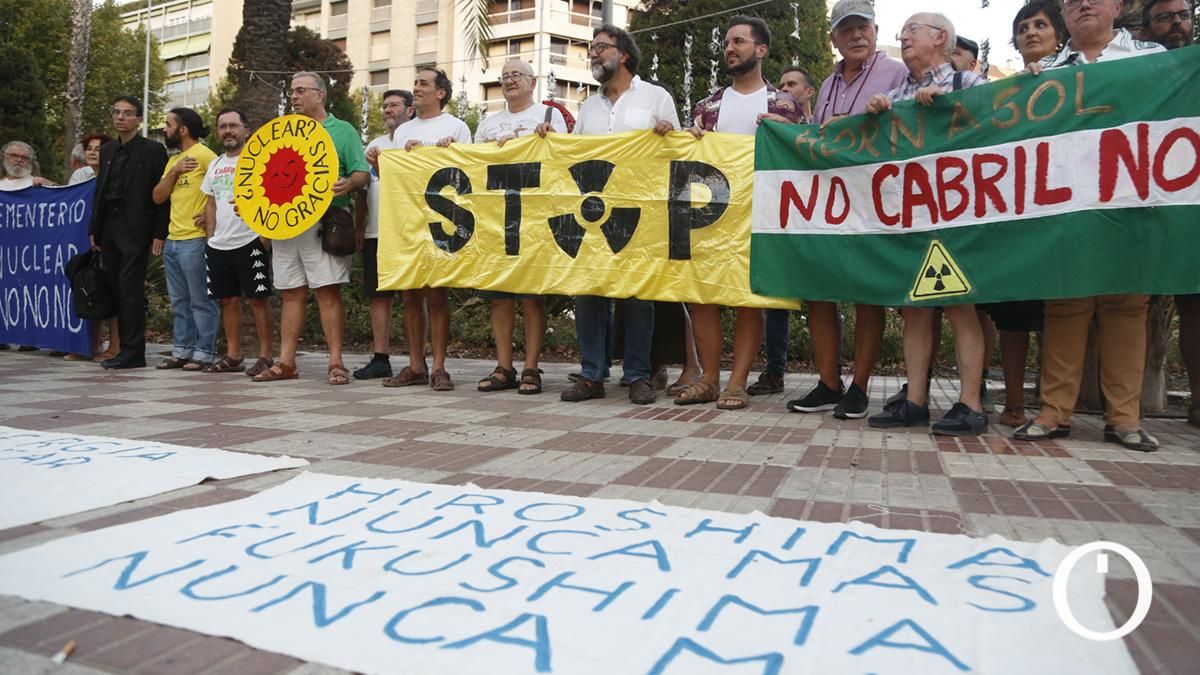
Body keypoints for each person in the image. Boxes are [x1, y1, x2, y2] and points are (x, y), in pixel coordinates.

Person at [1014, 0, 1167, 449]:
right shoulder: (1047, 73)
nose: (1082, 4)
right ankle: (1053, 412)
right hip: (1069, 203)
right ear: (1064, 13)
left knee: (1126, 305)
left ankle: (1125, 419)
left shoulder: (1154, 61)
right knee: (1064, 303)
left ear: (1117, 7)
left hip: (1130, 200)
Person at [538, 24, 679, 405]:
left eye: (601, 47)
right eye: (592, 49)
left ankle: (638, 375)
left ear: (625, 54)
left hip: (639, 213)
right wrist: (549, 144)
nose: (594, 54)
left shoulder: (656, 97)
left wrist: (667, 133)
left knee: (637, 294)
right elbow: (573, 160)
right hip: (591, 215)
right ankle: (592, 375)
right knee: (588, 292)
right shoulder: (588, 107)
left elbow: (679, 155)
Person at [864, 13, 990, 436]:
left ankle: (971, 403)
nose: (903, 37)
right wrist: (875, 116)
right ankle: (914, 400)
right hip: (911, 215)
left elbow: (999, 128)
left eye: (911, 31)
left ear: (940, 38)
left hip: (957, 214)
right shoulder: (895, 95)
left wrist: (955, 109)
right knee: (913, 307)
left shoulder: (968, 85)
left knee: (959, 303)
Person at [785, 0, 907, 418]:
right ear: (833, 38)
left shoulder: (896, 72)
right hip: (830, 200)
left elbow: (906, 126)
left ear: (875, 30)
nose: (856, 35)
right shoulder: (827, 83)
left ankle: (860, 385)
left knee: (865, 293)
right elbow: (820, 136)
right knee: (818, 290)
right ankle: (828, 383)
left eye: (863, 27)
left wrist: (853, 125)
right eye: (846, 29)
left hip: (876, 198)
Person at [680, 15, 800, 411]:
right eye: (728, 42)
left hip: (759, 216)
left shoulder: (784, 105)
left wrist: (792, 132)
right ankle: (709, 379)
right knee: (703, 297)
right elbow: (682, 161)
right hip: (709, 216)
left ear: (761, 50)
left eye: (740, 42)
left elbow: (807, 156)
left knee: (750, 299)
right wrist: (685, 137)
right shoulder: (707, 106)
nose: (730, 48)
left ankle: (737, 383)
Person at [251, 72, 370, 385]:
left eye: (301, 90)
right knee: (290, 292)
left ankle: (336, 362)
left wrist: (349, 182)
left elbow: (362, 174)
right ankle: (286, 362)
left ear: (320, 95)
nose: (294, 96)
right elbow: (265, 177)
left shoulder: (342, 131)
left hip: (325, 222)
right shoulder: (280, 133)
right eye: (292, 91)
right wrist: (252, 204)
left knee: (327, 290)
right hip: (287, 225)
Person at [472, 59, 567, 395]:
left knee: (531, 296)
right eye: (505, 76)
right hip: (496, 218)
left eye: (517, 75)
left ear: (533, 80)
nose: (510, 81)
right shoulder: (488, 123)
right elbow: (472, 164)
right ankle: (503, 366)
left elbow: (564, 160)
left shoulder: (549, 115)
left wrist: (549, 138)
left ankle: (531, 367)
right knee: (498, 296)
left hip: (536, 218)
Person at [385, 67, 471, 392]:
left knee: (436, 294)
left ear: (441, 93)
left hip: (443, 219)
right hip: (408, 220)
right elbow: (394, 178)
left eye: (424, 84)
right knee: (409, 293)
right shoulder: (402, 131)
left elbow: (468, 174)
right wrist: (387, 161)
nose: (417, 88)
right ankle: (416, 365)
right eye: (416, 83)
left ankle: (439, 367)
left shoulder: (458, 127)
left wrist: (450, 152)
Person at [1140, 0, 1198, 428]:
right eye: (1165, 16)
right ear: (1147, 29)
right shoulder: (1132, 71)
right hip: (1140, 202)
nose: (1176, 23)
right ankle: (1121, 407)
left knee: (1194, 302)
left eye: (1183, 15)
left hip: (1190, 201)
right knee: (1126, 301)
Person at [88, 95, 170, 369]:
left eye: (127, 113)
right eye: (116, 112)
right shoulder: (108, 150)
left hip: (135, 227)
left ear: (139, 119)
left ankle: (133, 352)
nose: (120, 117)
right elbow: (100, 190)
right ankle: (124, 348)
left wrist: (160, 232)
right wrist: (94, 229)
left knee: (129, 288)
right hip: (108, 226)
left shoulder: (153, 150)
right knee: (115, 287)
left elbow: (160, 196)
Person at [200, 108, 275, 376]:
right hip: (220, 245)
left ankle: (266, 355)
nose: (228, 131)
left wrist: (265, 237)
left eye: (233, 125)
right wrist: (210, 240)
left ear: (246, 130)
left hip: (251, 240)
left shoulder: (258, 161)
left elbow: (272, 196)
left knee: (258, 300)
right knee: (228, 300)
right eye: (223, 126)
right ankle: (233, 356)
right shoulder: (216, 164)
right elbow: (210, 204)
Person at [152, 107, 219, 371]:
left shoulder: (205, 155)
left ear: (183, 129)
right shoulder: (173, 161)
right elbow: (157, 197)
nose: (165, 130)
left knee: (200, 299)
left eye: (168, 125)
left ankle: (204, 351)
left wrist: (208, 212)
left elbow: (225, 185)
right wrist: (175, 171)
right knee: (179, 300)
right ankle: (182, 350)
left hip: (196, 239)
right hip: (173, 240)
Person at [354, 89, 414, 381]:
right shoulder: (374, 144)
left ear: (410, 110)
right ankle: (380, 358)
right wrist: (359, 227)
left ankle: (418, 360)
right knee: (378, 296)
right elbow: (364, 193)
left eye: (394, 105)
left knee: (413, 296)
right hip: (375, 231)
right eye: (385, 106)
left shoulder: (415, 143)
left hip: (408, 232)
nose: (388, 110)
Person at [67, 133, 121, 361]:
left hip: (111, 241)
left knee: (113, 292)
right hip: (83, 242)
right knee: (90, 290)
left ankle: (115, 347)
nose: (91, 152)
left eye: (98, 149)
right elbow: (67, 199)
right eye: (89, 148)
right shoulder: (81, 175)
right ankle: (90, 345)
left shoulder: (116, 177)